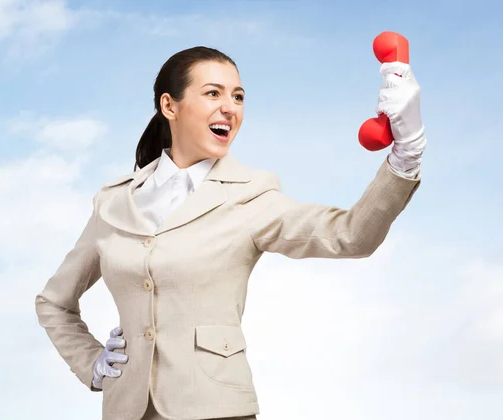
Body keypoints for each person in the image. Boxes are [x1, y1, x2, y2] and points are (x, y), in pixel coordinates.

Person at [35, 45, 426, 420]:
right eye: (213, 93)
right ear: (169, 105)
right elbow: (54, 302)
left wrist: (406, 153)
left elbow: (351, 235)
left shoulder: (250, 194)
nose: (230, 107)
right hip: (126, 412)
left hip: (217, 411)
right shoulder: (113, 203)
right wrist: (91, 363)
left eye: (238, 97)